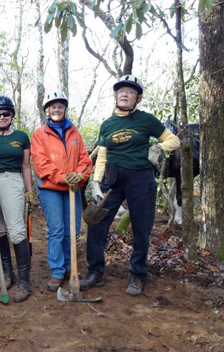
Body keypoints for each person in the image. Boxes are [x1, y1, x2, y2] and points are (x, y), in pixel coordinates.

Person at [81, 75, 180, 296]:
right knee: (96, 224)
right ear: (116, 95)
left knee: (141, 228)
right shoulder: (107, 124)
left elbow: (174, 139)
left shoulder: (146, 120)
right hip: (112, 180)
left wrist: (159, 148)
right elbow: (103, 155)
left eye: (131, 92)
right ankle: (95, 272)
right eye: (121, 91)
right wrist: (96, 183)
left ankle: (137, 274)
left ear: (138, 99)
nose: (125, 94)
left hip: (141, 179)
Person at [30, 91, 93, 292]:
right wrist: (63, 176)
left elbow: (85, 160)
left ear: (65, 108)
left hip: (73, 188)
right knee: (57, 229)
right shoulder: (40, 134)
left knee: (72, 229)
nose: (56, 109)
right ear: (47, 110)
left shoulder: (75, 132)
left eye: (60, 106)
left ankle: (69, 267)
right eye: (52, 106)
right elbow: (41, 163)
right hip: (51, 189)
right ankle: (57, 271)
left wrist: (80, 175)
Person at [0, 95, 34, 303]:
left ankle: (24, 281)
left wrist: (29, 190)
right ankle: (8, 274)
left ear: (12, 114)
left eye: (5, 113)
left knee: (17, 229)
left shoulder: (21, 137)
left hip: (12, 181)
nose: (1, 117)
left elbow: (26, 166)